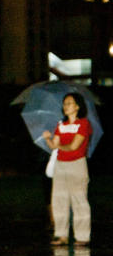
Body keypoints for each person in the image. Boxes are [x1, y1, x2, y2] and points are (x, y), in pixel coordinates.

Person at [42, 92, 92, 246]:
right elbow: (53, 146)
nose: (66, 106)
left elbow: (74, 146)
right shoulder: (60, 125)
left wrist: (59, 146)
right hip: (61, 165)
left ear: (77, 106)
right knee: (59, 200)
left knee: (79, 200)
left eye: (69, 103)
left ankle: (82, 236)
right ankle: (61, 235)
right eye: (64, 104)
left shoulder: (83, 124)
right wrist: (47, 139)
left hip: (77, 164)